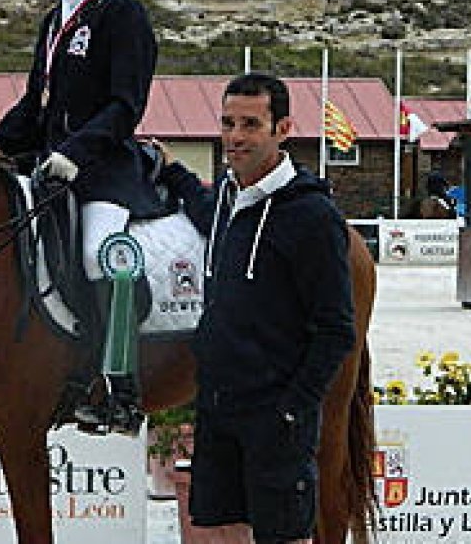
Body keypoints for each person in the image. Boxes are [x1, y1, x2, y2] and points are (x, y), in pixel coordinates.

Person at [151, 73, 356, 543]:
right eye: (227, 123)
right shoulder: (227, 198)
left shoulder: (312, 216)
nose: (236, 136)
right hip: (219, 407)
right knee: (219, 531)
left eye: (250, 124)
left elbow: (336, 329)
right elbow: (206, 212)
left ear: (282, 129)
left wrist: (292, 411)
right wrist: (173, 170)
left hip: (276, 417)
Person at [0, 0, 163, 435]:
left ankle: (118, 387)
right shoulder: (53, 20)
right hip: (49, 170)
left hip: (105, 171)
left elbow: (125, 105)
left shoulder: (123, 13)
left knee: (97, 258)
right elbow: (36, 102)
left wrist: (76, 152)